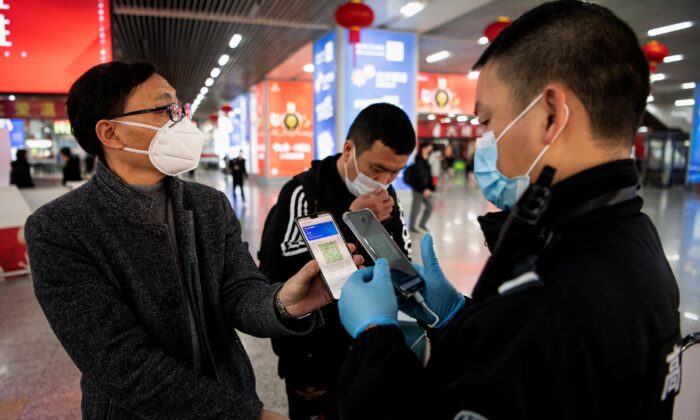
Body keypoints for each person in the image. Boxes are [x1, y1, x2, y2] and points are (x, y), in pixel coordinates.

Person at [335, 2, 681, 419]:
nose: (488, 140)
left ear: (551, 113)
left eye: (488, 122)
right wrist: (462, 320)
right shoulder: (633, 236)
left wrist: (376, 337)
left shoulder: (550, 300)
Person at [25, 61, 361, 420]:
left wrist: (282, 304)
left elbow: (239, 290)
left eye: (179, 107)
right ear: (111, 133)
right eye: (164, 109)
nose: (182, 120)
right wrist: (247, 416)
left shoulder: (208, 204)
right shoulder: (58, 229)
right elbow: (122, 365)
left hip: (230, 388)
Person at [261, 103, 414, 419]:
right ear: (349, 149)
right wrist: (352, 222)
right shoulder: (304, 193)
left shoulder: (388, 197)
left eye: (395, 172)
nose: (384, 180)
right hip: (312, 349)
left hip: (364, 340)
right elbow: (284, 272)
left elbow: (398, 261)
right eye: (376, 169)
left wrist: (381, 228)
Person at [408, 142, 435, 234]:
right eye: (428, 148)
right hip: (418, 189)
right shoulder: (418, 160)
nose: (430, 150)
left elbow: (428, 175)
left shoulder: (426, 159)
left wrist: (430, 188)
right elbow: (419, 176)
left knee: (430, 206)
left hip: (425, 189)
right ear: (423, 148)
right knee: (416, 208)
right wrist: (424, 189)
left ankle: (422, 224)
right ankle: (412, 227)